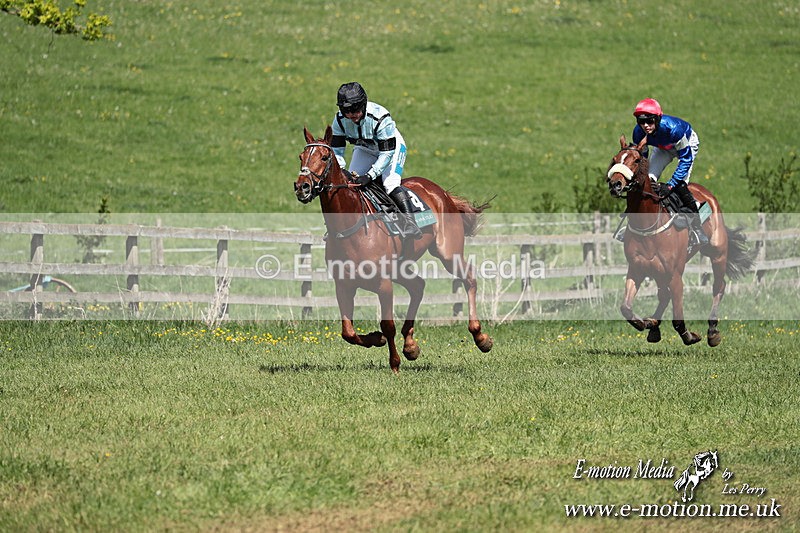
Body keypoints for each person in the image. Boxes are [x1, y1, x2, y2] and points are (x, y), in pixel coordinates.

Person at [330, 81, 422, 239]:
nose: (352, 115)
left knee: (389, 183)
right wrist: (341, 169)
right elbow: (337, 151)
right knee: (351, 183)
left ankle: (410, 222)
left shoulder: (380, 116)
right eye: (346, 111)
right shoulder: (339, 120)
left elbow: (386, 154)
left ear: (363, 104)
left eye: (355, 109)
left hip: (390, 149)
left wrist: (371, 175)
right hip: (365, 148)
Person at [632, 98, 708, 245]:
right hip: (662, 148)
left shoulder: (673, 129)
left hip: (686, 144)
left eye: (650, 121)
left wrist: (671, 185)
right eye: (641, 122)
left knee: (680, 185)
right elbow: (642, 159)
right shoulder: (638, 133)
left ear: (658, 118)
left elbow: (685, 159)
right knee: (647, 181)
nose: (646, 126)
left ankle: (697, 227)